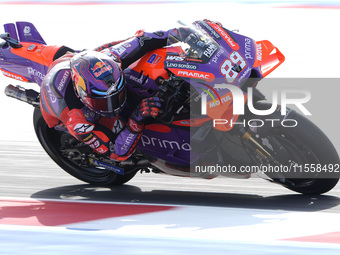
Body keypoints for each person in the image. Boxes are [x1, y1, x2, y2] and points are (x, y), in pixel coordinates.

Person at [39, 19, 222, 161]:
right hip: (65, 106)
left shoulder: (113, 59)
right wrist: (136, 117)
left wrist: (184, 34)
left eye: (116, 95)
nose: (113, 105)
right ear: (83, 95)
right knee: (118, 126)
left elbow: (145, 39)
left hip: (84, 61)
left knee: (151, 61)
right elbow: (116, 152)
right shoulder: (76, 119)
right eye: (102, 100)